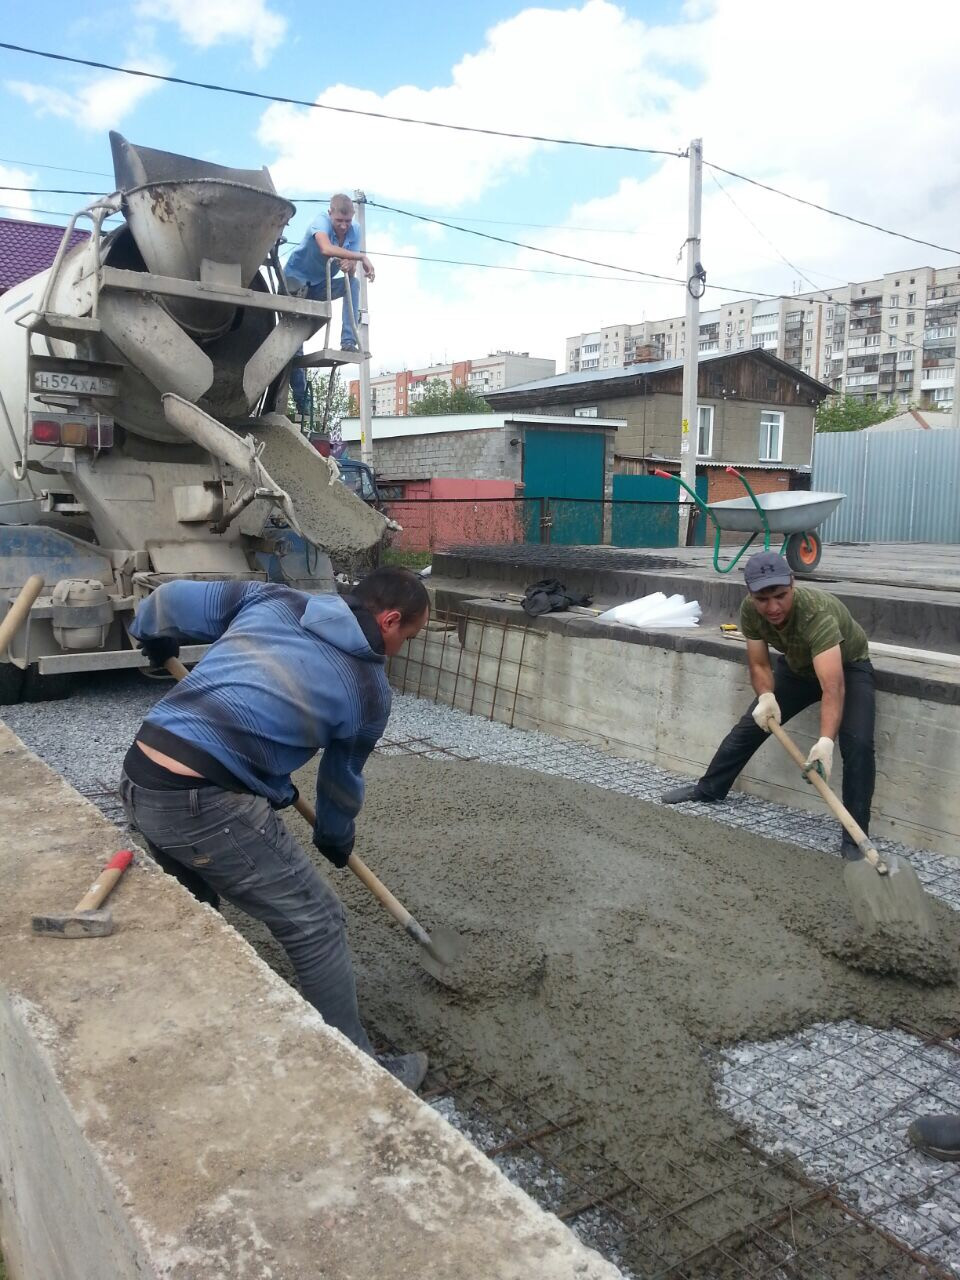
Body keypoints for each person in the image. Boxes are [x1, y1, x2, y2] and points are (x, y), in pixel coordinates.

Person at [119, 568, 431, 1090]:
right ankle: (358, 1072)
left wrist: (154, 638)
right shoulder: (368, 691)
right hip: (199, 802)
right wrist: (335, 837)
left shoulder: (277, 600)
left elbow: (167, 600)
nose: (401, 649)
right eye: (409, 637)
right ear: (389, 619)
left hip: (141, 778)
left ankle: (197, 1017)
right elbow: (339, 786)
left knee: (196, 905)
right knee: (317, 919)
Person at [661, 550, 876, 857]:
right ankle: (708, 790)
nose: (773, 607)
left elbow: (833, 687)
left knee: (858, 744)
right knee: (752, 724)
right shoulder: (750, 610)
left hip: (848, 668)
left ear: (792, 583)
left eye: (781, 596)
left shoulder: (818, 614)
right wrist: (766, 697)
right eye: (763, 599)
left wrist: (826, 742)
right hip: (799, 667)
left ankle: (855, 837)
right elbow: (760, 665)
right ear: (751, 594)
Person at [284, 193, 375, 414]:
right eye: (338, 221)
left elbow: (350, 270)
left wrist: (350, 262)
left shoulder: (354, 231)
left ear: (352, 217)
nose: (343, 226)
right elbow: (325, 248)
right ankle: (301, 402)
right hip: (294, 285)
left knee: (352, 285)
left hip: (318, 286)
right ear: (330, 213)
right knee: (296, 348)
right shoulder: (320, 221)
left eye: (347, 221)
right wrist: (360, 257)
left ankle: (348, 340)